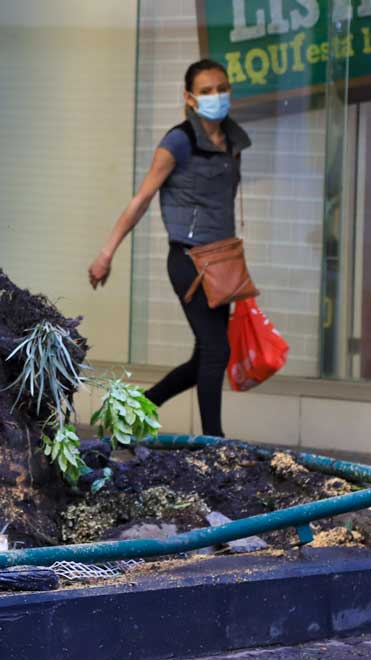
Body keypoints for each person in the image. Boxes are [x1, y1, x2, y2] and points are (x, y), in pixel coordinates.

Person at [87, 58, 251, 438]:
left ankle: (130, 416)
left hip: (222, 260)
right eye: (207, 91)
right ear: (189, 98)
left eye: (222, 88)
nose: (216, 96)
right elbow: (142, 199)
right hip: (189, 260)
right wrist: (107, 253)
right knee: (216, 350)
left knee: (206, 356)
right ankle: (213, 444)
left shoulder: (232, 142)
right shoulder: (178, 141)